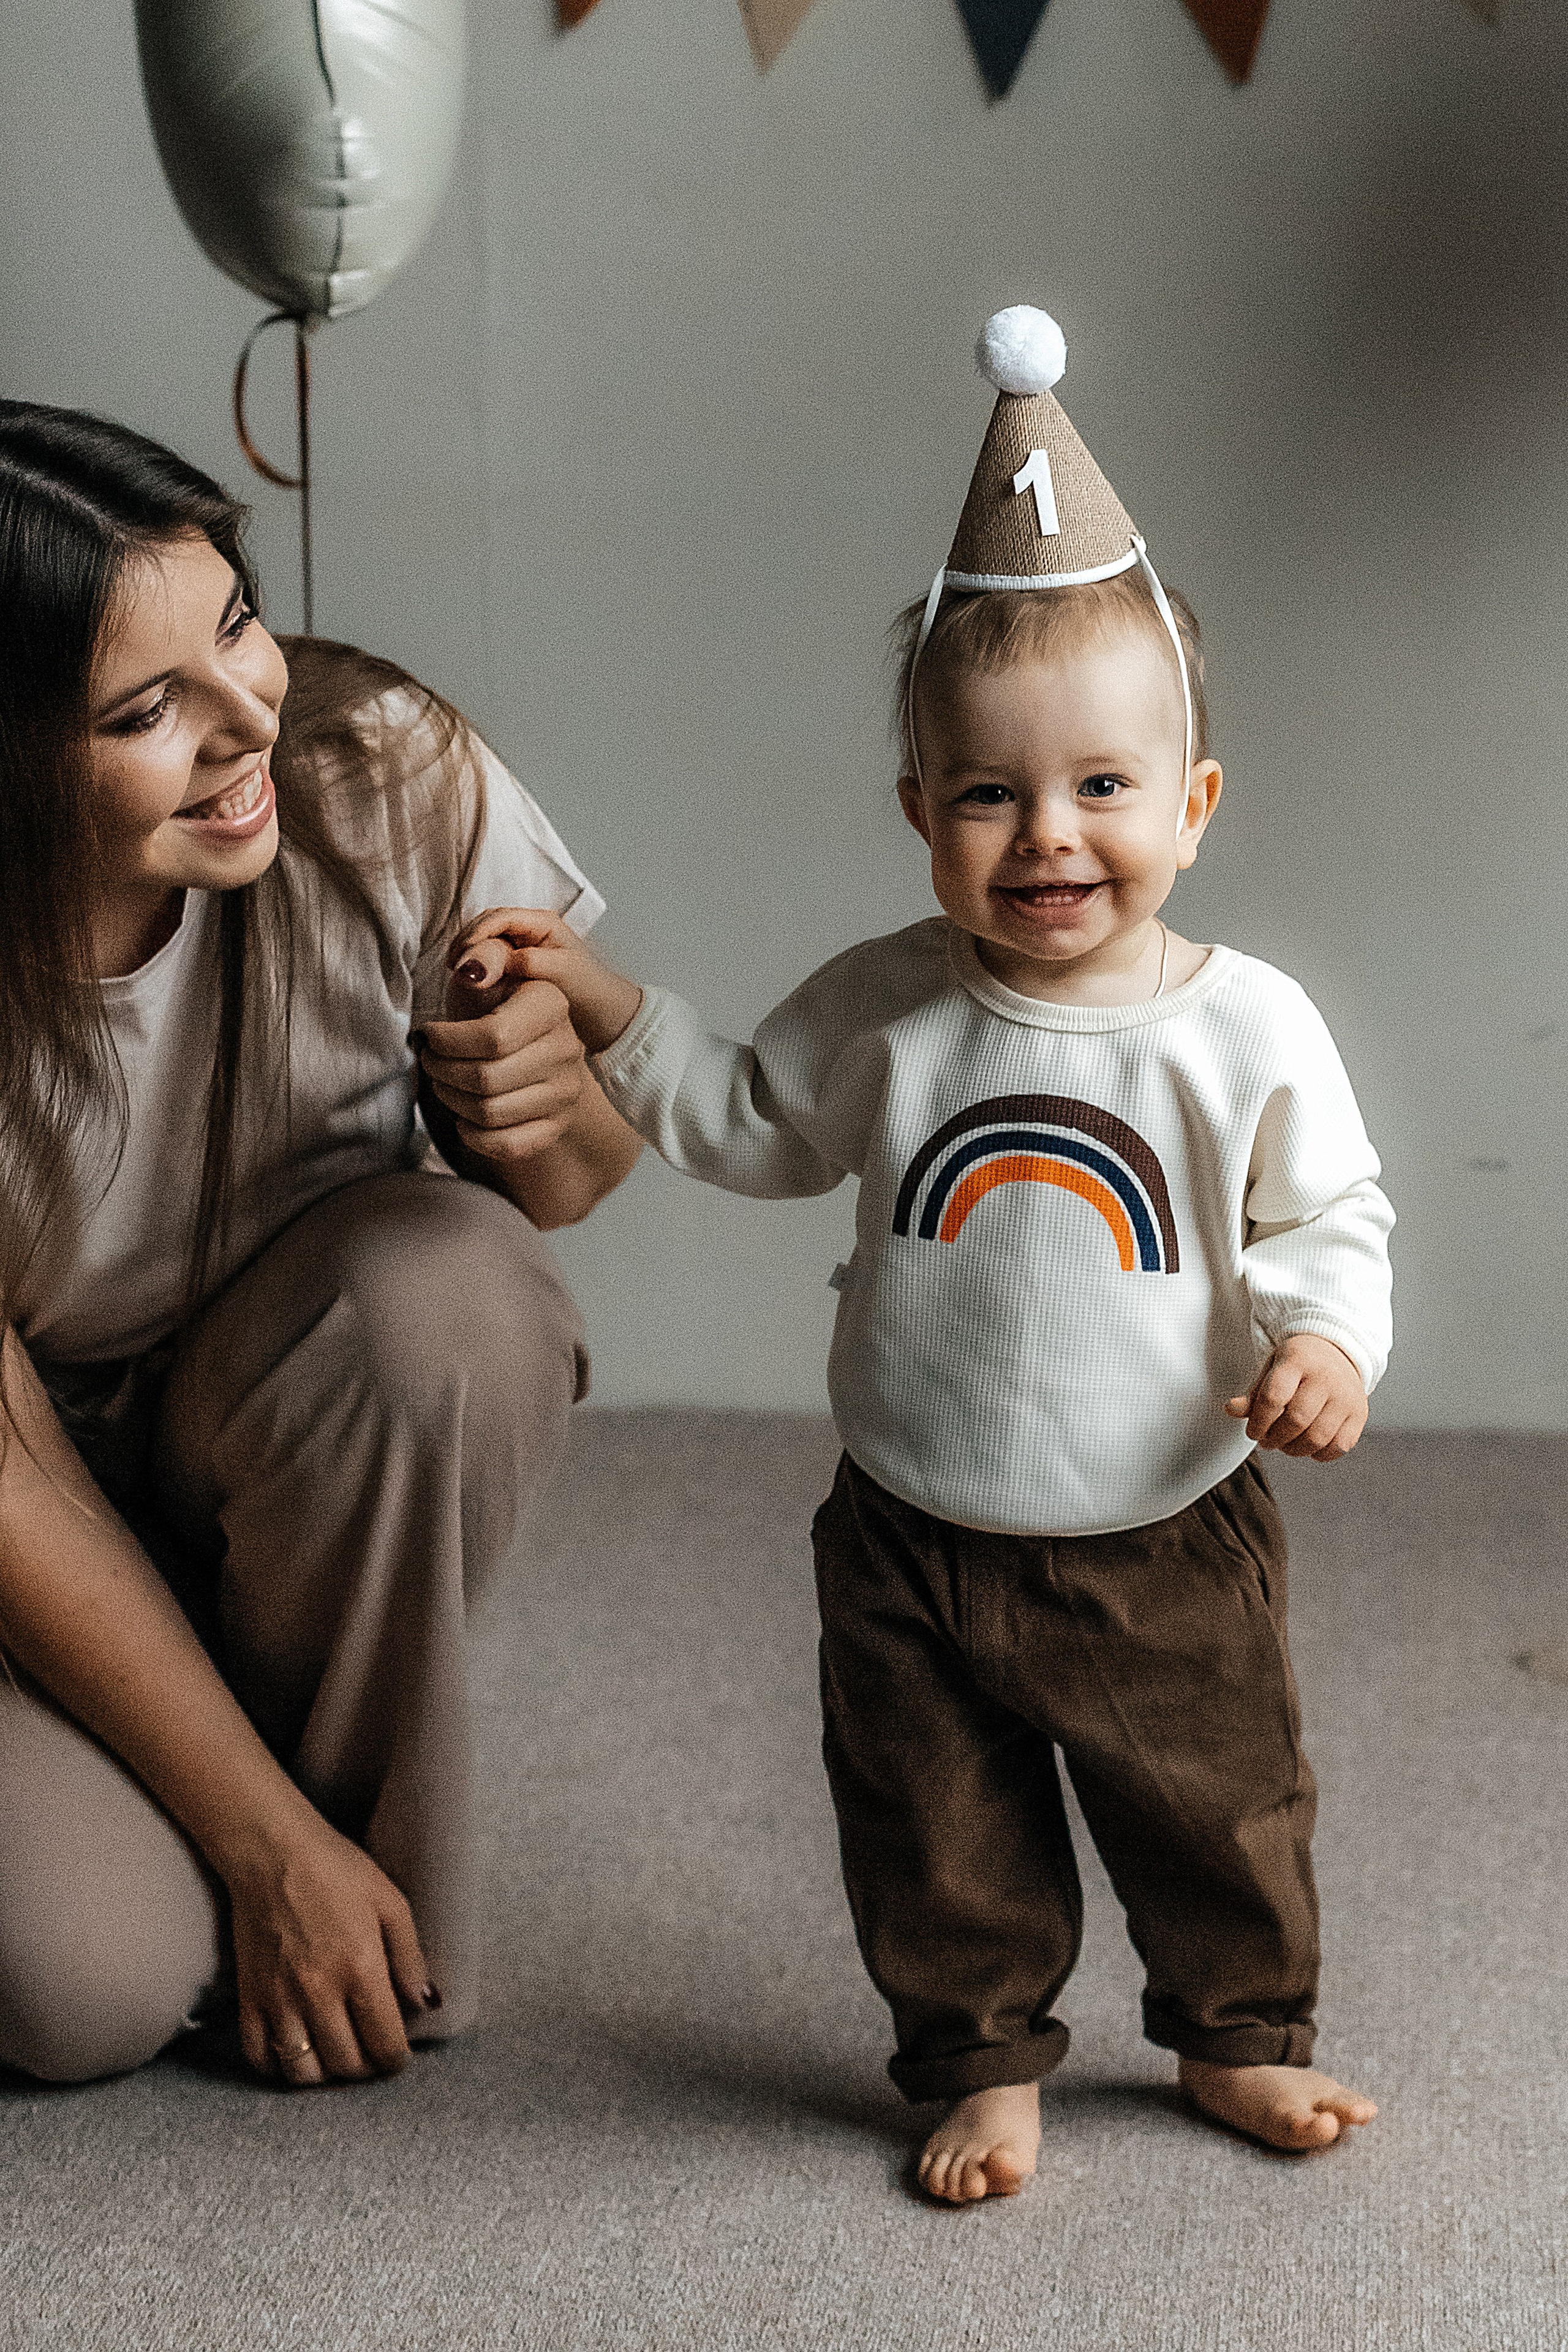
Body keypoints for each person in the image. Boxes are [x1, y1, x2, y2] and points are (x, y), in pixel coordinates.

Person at [445, 308, 1393, 2199]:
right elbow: (742, 1116)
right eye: (990, 794)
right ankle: (981, 2057)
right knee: (933, 1822)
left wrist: (1328, 1345)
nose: (1050, 836)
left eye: (1106, 789)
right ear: (920, 817)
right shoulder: (890, 1011)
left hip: (1157, 1522)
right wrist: (618, 1005)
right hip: (909, 1524)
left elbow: (1330, 1215)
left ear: (1192, 810)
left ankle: (1236, 2034)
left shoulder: (1245, 1031)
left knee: (1218, 1803)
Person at [0, 402, 641, 2089]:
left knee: (455, 1298)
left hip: (266, 1427)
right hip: (25, 1510)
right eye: (147, 712)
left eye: (234, 624)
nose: (246, 720)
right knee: (75, 1994)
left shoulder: (382, 772)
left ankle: (354, 1911)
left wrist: (544, 1105)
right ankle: (277, 1858)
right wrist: (258, 1837)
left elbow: (575, 1188)